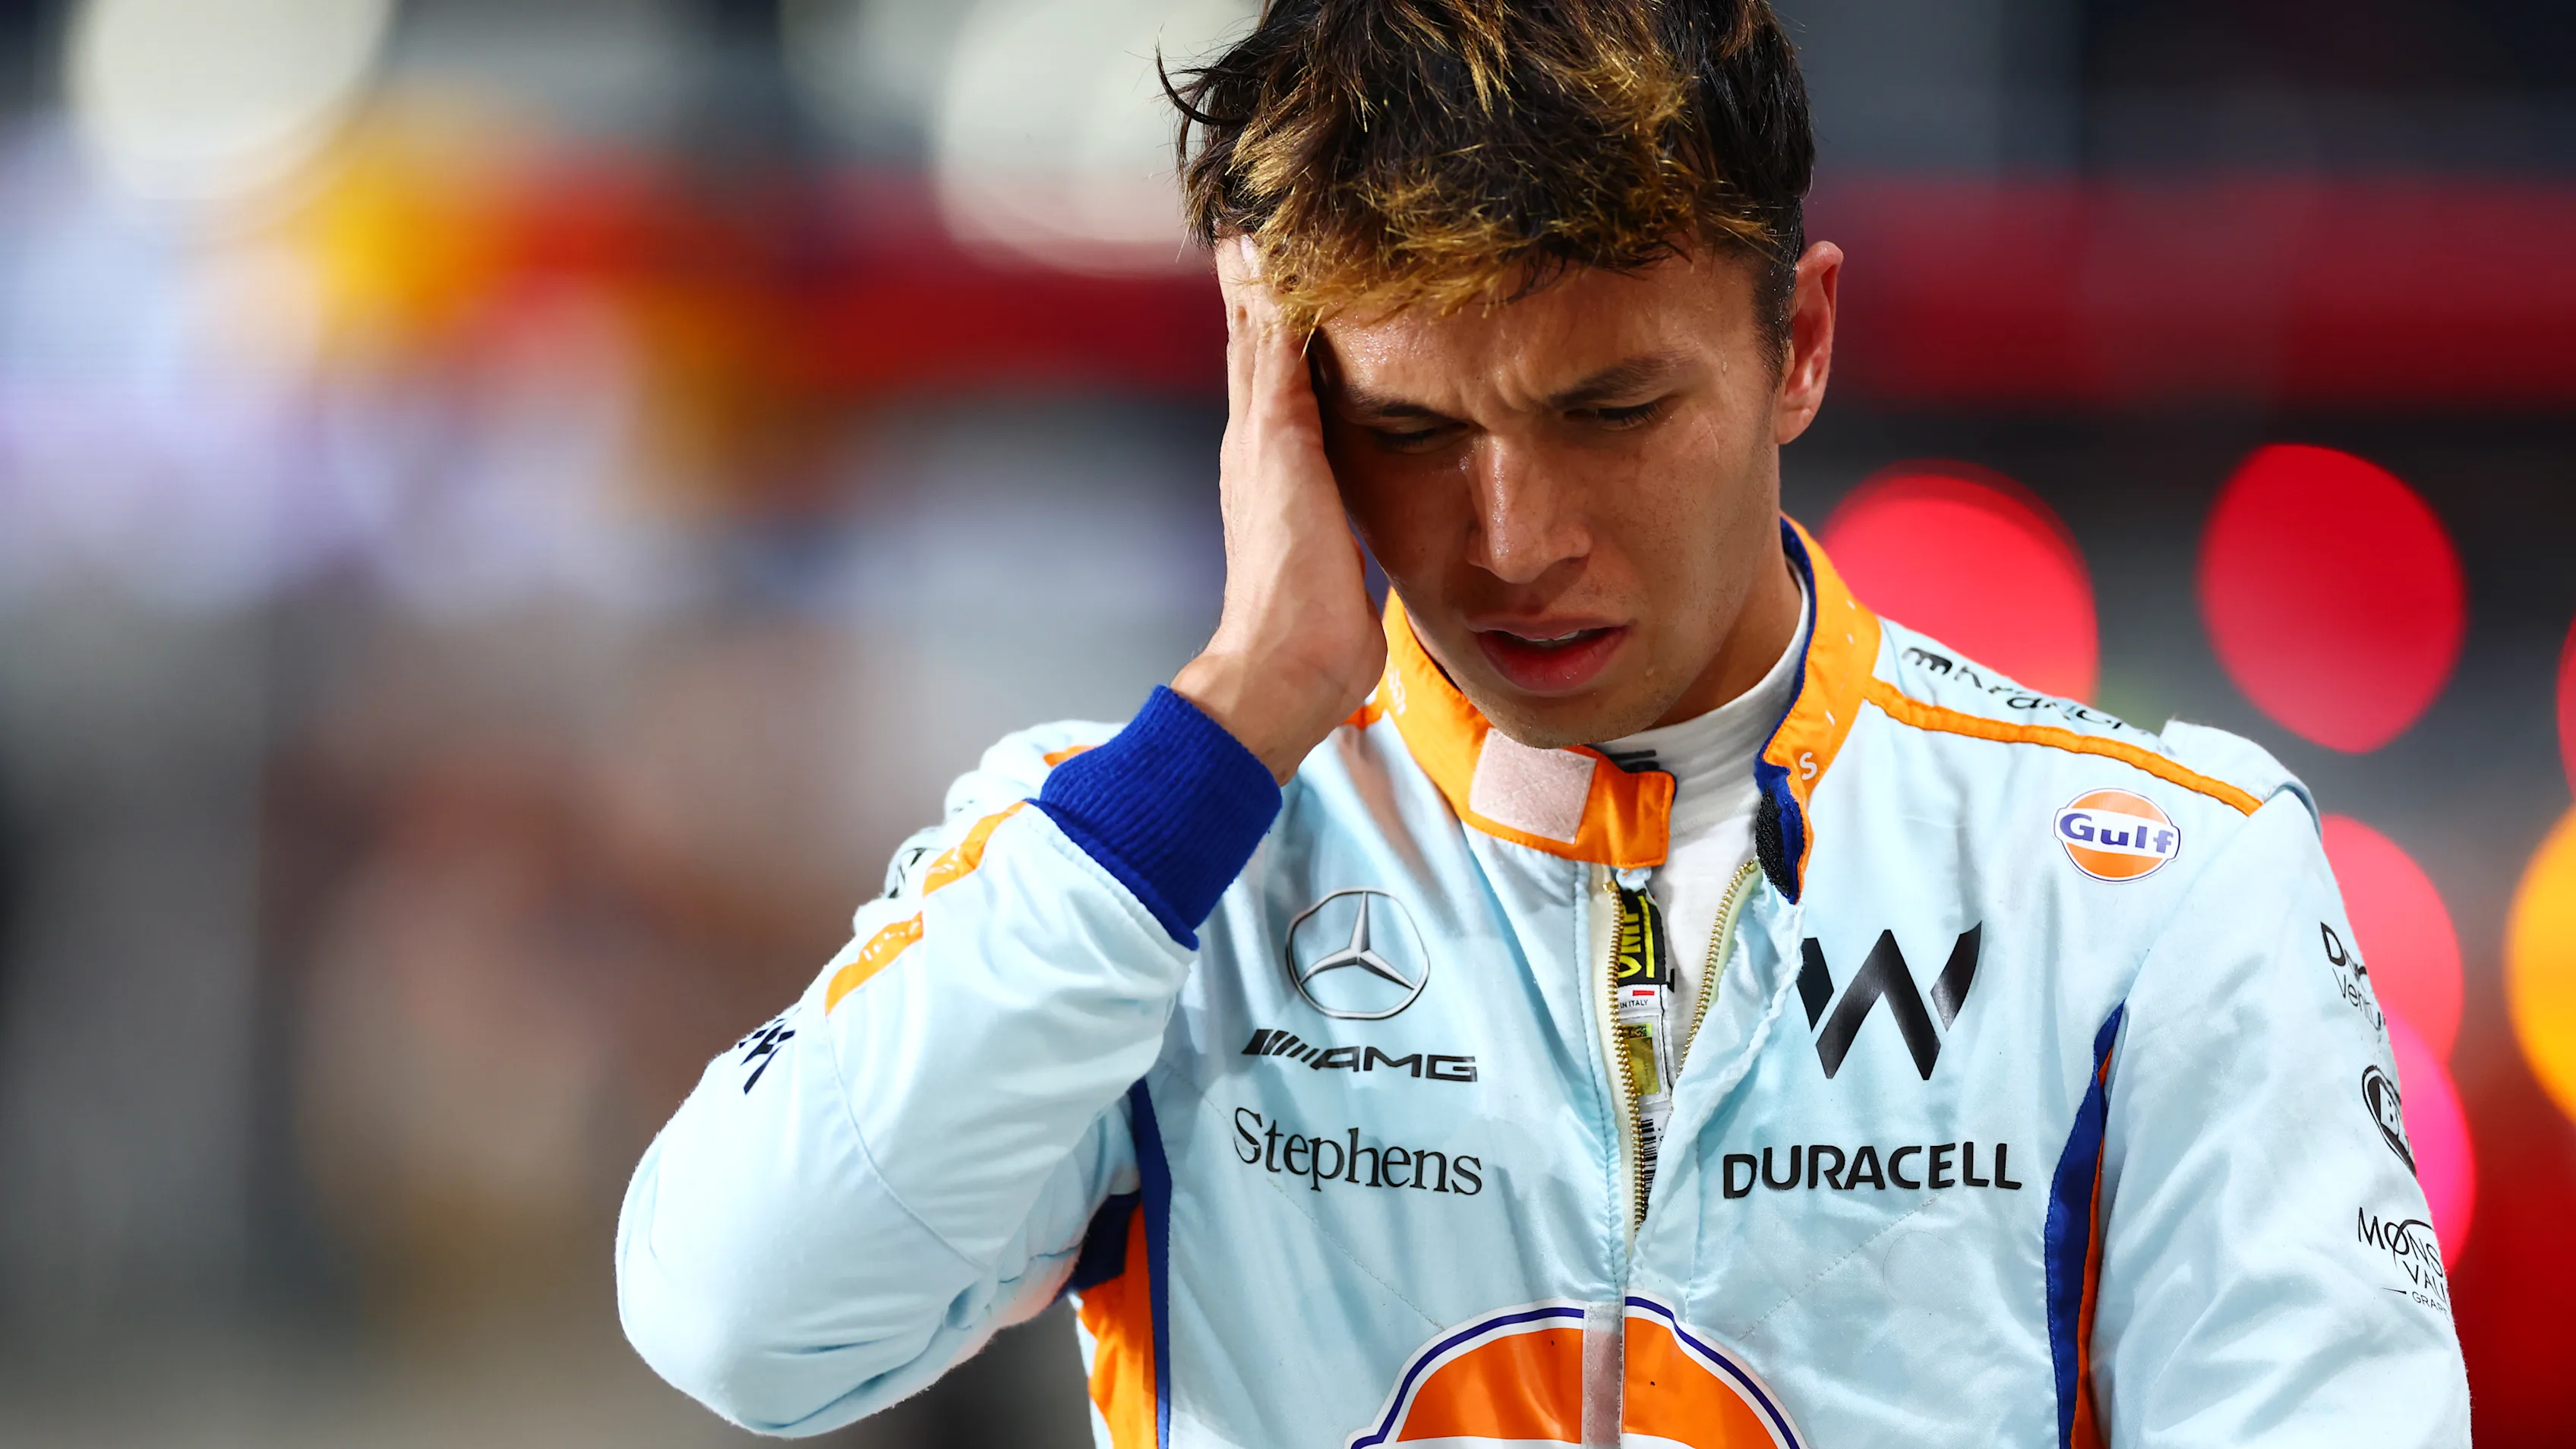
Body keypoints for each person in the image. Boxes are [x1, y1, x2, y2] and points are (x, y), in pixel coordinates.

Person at [614, 0, 2471, 1442]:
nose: (1516, 543)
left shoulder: (2157, 886)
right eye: (1411, 432)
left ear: (1799, 343)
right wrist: (1238, 717)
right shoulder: (1139, 862)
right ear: (1286, 410)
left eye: (1611, 412)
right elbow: (741, 1324)